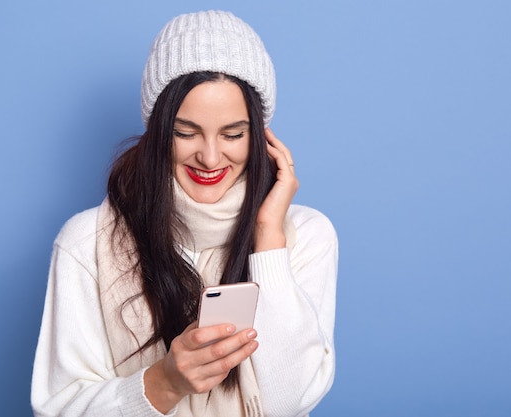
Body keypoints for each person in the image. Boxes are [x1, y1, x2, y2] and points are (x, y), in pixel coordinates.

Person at [31, 10, 338, 417]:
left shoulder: (305, 236)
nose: (210, 157)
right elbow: (59, 409)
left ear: (261, 136)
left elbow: (289, 402)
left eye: (233, 134)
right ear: (158, 131)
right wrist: (165, 382)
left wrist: (268, 242)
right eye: (185, 132)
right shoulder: (86, 243)